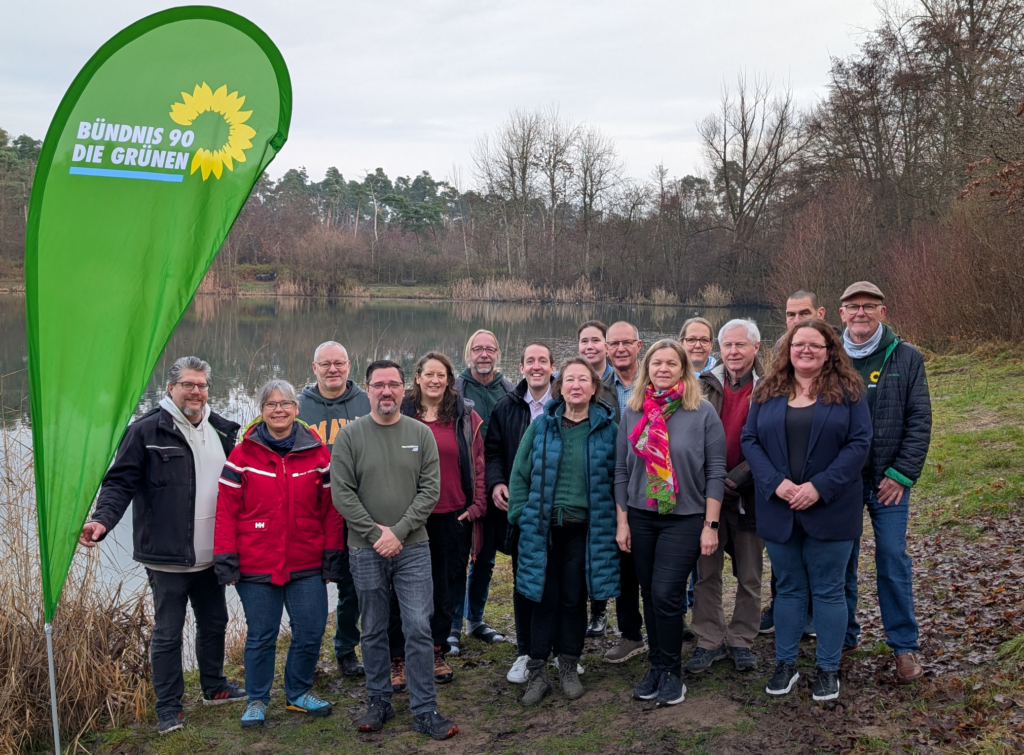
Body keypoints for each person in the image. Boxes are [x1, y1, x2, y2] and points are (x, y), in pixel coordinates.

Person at [80, 356, 244, 735]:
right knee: (168, 634)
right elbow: (119, 482)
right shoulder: (145, 431)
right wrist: (102, 520)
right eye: (188, 384)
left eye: (201, 385)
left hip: (211, 556)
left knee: (215, 622)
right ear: (170, 388)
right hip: (167, 558)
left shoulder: (221, 429)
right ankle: (168, 708)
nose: (196, 392)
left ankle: (214, 687)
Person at [741, 320, 871, 701]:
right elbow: (750, 439)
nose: (806, 350)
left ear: (829, 352)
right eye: (799, 344)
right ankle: (785, 664)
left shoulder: (849, 392)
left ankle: (828, 669)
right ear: (789, 349)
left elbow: (859, 444)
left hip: (831, 508)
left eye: (815, 345)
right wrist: (775, 483)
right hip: (779, 507)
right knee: (789, 589)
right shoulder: (767, 390)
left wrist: (819, 488)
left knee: (829, 590)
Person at [332, 360, 458, 740]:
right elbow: (342, 494)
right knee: (372, 627)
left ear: (405, 389)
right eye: (378, 385)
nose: (386, 391)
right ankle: (379, 701)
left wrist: (398, 532)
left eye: (393, 384)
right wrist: (376, 534)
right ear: (367, 389)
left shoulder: (420, 434)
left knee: (418, 626)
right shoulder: (349, 436)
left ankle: (424, 709)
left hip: (413, 547)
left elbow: (429, 491)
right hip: (364, 548)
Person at [214, 380, 344, 727]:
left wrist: (333, 554)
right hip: (256, 561)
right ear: (261, 411)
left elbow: (331, 510)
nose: (279, 410)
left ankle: (298, 693)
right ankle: (257, 699)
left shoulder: (317, 452)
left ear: (296, 409)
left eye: (285, 403)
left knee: (311, 630)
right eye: (271, 404)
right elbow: (226, 510)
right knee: (261, 635)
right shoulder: (243, 455)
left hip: (306, 559)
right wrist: (226, 557)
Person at [615, 339, 726, 708]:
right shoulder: (633, 411)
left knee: (666, 593)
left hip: (685, 517)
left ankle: (672, 673)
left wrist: (711, 524)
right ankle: (657, 665)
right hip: (641, 515)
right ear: (647, 368)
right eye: (656, 363)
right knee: (649, 593)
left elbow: (716, 471)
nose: (663, 369)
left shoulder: (702, 412)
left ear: (683, 370)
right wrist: (623, 522)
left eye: (671, 364)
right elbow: (620, 471)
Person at [507, 357, 619, 705]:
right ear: (560, 386)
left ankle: (569, 665)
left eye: (583, 379)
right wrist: (520, 515)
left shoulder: (608, 430)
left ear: (594, 388)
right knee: (542, 598)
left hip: (585, 531)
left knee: (573, 599)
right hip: (543, 530)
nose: (576, 385)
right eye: (569, 379)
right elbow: (520, 473)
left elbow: (619, 479)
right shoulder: (542, 425)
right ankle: (538, 672)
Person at [839, 281, 932, 683]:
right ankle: (843, 636)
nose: (861, 312)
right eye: (853, 306)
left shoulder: (906, 356)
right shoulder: (829, 356)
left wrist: (901, 474)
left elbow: (920, 420)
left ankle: (904, 646)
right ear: (842, 313)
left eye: (869, 306)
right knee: (840, 560)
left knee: (892, 557)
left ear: (883, 311)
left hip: (887, 481)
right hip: (841, 481)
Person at [389, 352, 486, 689]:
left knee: (444, 588)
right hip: (407, 517)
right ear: (417, 377)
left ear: (449, 380)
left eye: (441, 375)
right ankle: (398, 658)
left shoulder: (464, 416)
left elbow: (478, 464)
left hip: (450, 514)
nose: (434, 380)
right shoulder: (400, 413)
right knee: (399, 589)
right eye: (428, 374)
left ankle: (435, 650)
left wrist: (477, 506)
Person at [688, 319, 764, 675]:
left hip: (752, 494)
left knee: (749, 575)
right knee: (706, 572)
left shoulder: (770, 388)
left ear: (755, 348)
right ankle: (709, 638)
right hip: (709, 496)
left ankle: (741, 639)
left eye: (740, 345)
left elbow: (773, 441)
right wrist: (714, 481)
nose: (733, 352)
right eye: (728, 345)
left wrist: (742, 476)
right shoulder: (702, 385)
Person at [297, 340, 370, 677]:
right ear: (314, 368)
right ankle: (305, 655)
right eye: (325, 364)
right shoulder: (299, 407)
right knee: (306, 588)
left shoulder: (365, 402)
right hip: (312, 512)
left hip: (355, 510)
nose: (332, 369)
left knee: (352, 588)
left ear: (349, 366)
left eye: (339, 363)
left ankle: (345, 649)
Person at [484, 342, 557, 684]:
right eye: (531, 361)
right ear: (522, 368)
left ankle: (560, 650)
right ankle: (526, 652)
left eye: (543, 361)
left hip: (559, 509)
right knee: (524, 580)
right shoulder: (506, 406)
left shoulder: (567, 403)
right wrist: (497, 482)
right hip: (523, 510)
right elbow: (493, 451)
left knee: (562, 581)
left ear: (553, 367)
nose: (537, 366)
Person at [762, 292, 831, 636]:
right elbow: (756, 433)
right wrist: (775, 480)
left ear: (820, 312)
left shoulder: (831, 356)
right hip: (780, 486)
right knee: (785, 564)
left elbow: (855, 437)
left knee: (828, 568)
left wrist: (821, 485)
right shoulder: (779, 355)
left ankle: (824, 622)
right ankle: (783, 612)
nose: (796, 320)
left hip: (825, 486)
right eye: (790, 314)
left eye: (803, 312)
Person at [450, 329, 513, 653]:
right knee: (457, 558)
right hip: (462, 488)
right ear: (468, 354)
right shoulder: (455, 390)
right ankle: (451, 625)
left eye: (490, 349)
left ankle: (475, 619)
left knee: (485, 558)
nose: (484, 354)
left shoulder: (509, 390)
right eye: (478, 349)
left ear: (497, 354)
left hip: (495, 487)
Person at [600, 321, 647, 663]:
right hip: (614, 485)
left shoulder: (656, 380)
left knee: (661, 564)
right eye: (614, 343)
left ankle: (669, 625)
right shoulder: (598, 388)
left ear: (638, 345)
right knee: (625, 562)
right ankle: (630, 633)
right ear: (606, 349)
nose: (620, 349)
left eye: (626, 342)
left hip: (655, 483)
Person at [577, 319, 620, 636]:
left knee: (603, 546)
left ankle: (600, 610)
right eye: (584, 341)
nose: (590, 346)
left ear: (606, 345)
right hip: (581, 473)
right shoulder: (569, 377)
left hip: (611, 469)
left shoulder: (616, 382)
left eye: (596, 340)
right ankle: (579, 608)